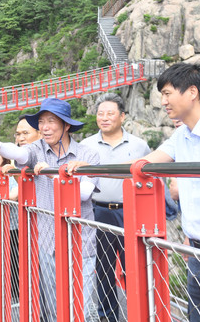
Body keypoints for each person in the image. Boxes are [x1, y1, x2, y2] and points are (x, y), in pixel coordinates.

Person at [69, 63, 200, 321]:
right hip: (197, 252)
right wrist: (92, 167)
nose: (162, 101)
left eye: (167, 93)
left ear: (192, 92)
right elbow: (141, 165)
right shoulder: (183, 136)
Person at [0, 97, 99, 321]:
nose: (45, 128)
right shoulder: (37, 149)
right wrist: (1, 146)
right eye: (42, 122)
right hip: (47, 239)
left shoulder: (88, 155)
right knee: (56, 306)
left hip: (80, 241)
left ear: (66, 125)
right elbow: (22, 154)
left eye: (51, 121)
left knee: (81, 308)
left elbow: (84, 193)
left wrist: (54, 173)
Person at [80, 93, 151, 322]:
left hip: (131, 212)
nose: (104, 118)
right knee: (103, 268)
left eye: (110, 113)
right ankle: (107, 317)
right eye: (100, 113)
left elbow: (152, 179)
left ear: (122, 116)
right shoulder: (86, 146)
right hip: (97, 211)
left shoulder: (139, 145)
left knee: (135, 267)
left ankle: (139, 314)